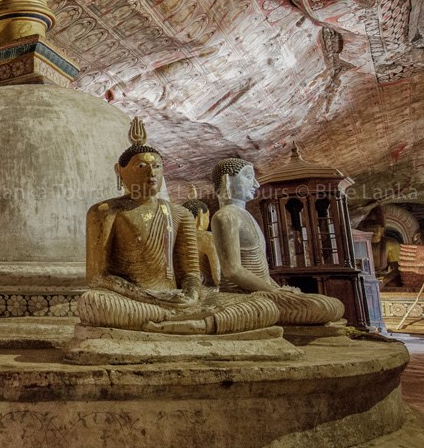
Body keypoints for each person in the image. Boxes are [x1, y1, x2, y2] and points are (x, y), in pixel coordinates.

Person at [78, 121, 276, 334]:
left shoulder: (179, 214)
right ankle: (193, 324)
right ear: (120, 171)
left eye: (157, 166)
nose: (151, 174)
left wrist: (190, 294)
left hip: (178, 299)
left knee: (263, 307)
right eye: (141, 166)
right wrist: (147, 296)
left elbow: (190, 272)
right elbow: (97, 277)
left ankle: (187, 323)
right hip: (133, 300)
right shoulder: (105, 212)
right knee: (94, 303)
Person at [209, 158, 345, 325]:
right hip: (241, 296)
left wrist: (280, 291)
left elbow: (263, 274)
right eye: (248, 176)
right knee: (321, 307)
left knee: (332, 305)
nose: (256, 184)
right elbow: (232, 270)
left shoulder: (245, 216)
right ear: (227, 180)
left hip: (261, 292)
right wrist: (276, 292)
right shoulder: (225, 216)